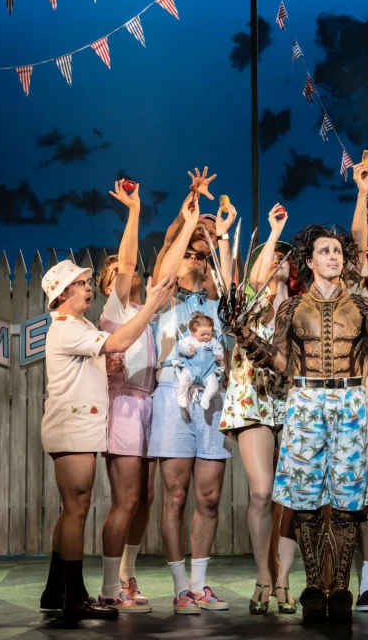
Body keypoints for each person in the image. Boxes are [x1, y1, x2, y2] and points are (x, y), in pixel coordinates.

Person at [234, 219, 368, 624]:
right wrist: (248, 339)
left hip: (352, 399)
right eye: (324, 251)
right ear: (310, 261)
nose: (333, 256)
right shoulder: (292, 307)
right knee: (306, 501)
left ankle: (341, 588)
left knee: (348, 501)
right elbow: (282, 363)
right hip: (304, 399)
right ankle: (314, 585)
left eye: (337, 250)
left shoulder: (365, 305)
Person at [38, 258, 175, 620]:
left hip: (77, 425)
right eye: (80, 284)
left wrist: (105, 366)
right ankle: (75, 597)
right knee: (76, 509)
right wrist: (150, 306)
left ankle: (56, 590)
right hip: (72, 426)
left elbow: (89, 362)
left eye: (85, 282)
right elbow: (121, 339)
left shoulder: (76, 325)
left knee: (74, 508)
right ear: (61, 293)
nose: (87, 288)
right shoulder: (67, 327)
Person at [149, 188, 236, 614]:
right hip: (174, 394)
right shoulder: (162, 294)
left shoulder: (217, 301)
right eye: (192, 254)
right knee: (176, 494)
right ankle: (180, 586)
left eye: (203, 257)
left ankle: (201, 584)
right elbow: (169, 260)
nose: (196, 261)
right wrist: (187, 225)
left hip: (213, 400)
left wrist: (218, 236)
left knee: (209, 496)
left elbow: (230, 280)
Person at [219, 203, 301, 615]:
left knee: (289, 495)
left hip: (292, 403)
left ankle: (283, 578)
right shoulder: (248, 301)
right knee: (261, 491)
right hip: (252, 398)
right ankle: (263, 574)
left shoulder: (301, 307)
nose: (281, 261)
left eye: (287, 256)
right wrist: (273, 231)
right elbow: (256, 278)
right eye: (275, 256)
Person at [94, 180, 158, 612]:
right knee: (126, 499)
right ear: (110, 285)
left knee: (146, 498)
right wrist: (134, 211)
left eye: (130, 271)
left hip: (150, 404)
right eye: (120, 273)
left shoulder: (143, 312)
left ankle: (127, 575)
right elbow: (130, 257)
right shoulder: (114, 311)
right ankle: (109, 588)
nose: (131, 273)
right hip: (124, 406)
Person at [175, 313, 224, 410]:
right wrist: (188, 350)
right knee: (184, 380)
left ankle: (206, 398)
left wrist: (219, 355)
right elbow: (181, 346)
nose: (206, 337)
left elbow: (218, 347)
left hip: (208, 372)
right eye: (202, 334)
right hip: (191, 369)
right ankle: (182, 396)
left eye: (208, 334)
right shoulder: (189, 340)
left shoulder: (212, 342)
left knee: (214, 385)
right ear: (193, 333)